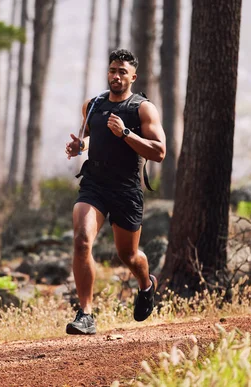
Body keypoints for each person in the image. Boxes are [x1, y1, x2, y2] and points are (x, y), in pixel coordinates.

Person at [64, 49, 166, 335]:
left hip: (126, 188)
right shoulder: (93, 105)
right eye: (112, 70)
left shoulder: (142, 108)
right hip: (94, 183)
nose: (116, 76)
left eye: (122, 72)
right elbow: (88, 138)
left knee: (129, 256)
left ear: (133, 76)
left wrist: (126, 134)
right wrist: (77, 147)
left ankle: (147, 285)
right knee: (82, 240)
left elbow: (159, 152)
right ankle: (85, 314)